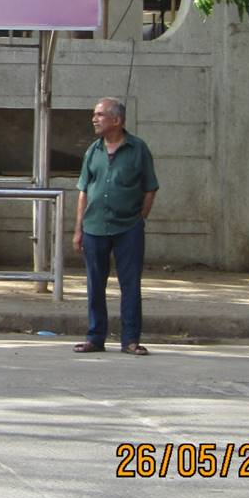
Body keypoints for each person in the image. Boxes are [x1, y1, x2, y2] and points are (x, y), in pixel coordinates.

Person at [73, 98, 160, 357]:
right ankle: (95, 337)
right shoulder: (93, 151)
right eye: (94, 114)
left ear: (117, 120)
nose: (94, 119)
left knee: (130, 284)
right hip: (94, 227)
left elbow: (150, 188)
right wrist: (78, 229)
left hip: (128, 228)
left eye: (100, 114)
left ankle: (130, 340)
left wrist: (139, 219)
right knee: (95, 284)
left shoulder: (138, 149)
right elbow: (83, 192)